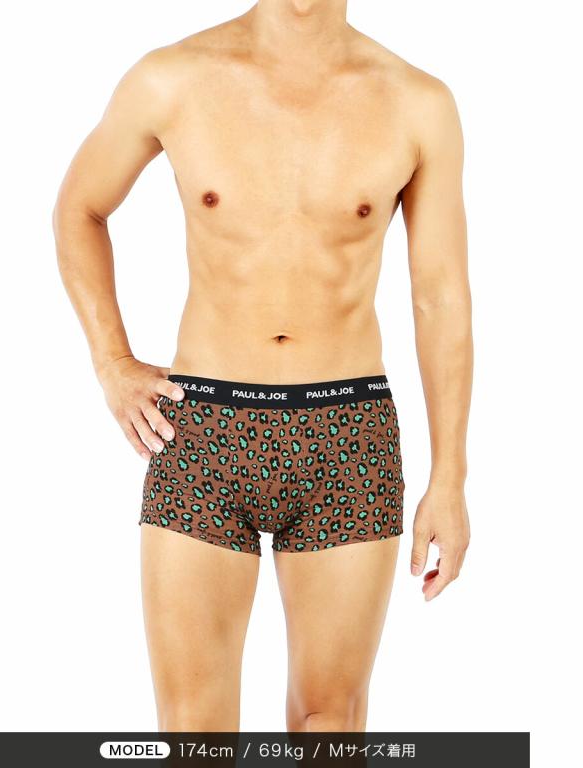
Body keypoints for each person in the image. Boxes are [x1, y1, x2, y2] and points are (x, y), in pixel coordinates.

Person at [53, 0, 472, 733]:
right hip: (202, 431)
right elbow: (79, 209)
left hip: (348, 435)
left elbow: (439, 297)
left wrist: (450, 478)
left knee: (329, 728)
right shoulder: (172, 78)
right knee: (196, 736)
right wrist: (113, 361)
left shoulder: (417, 102)